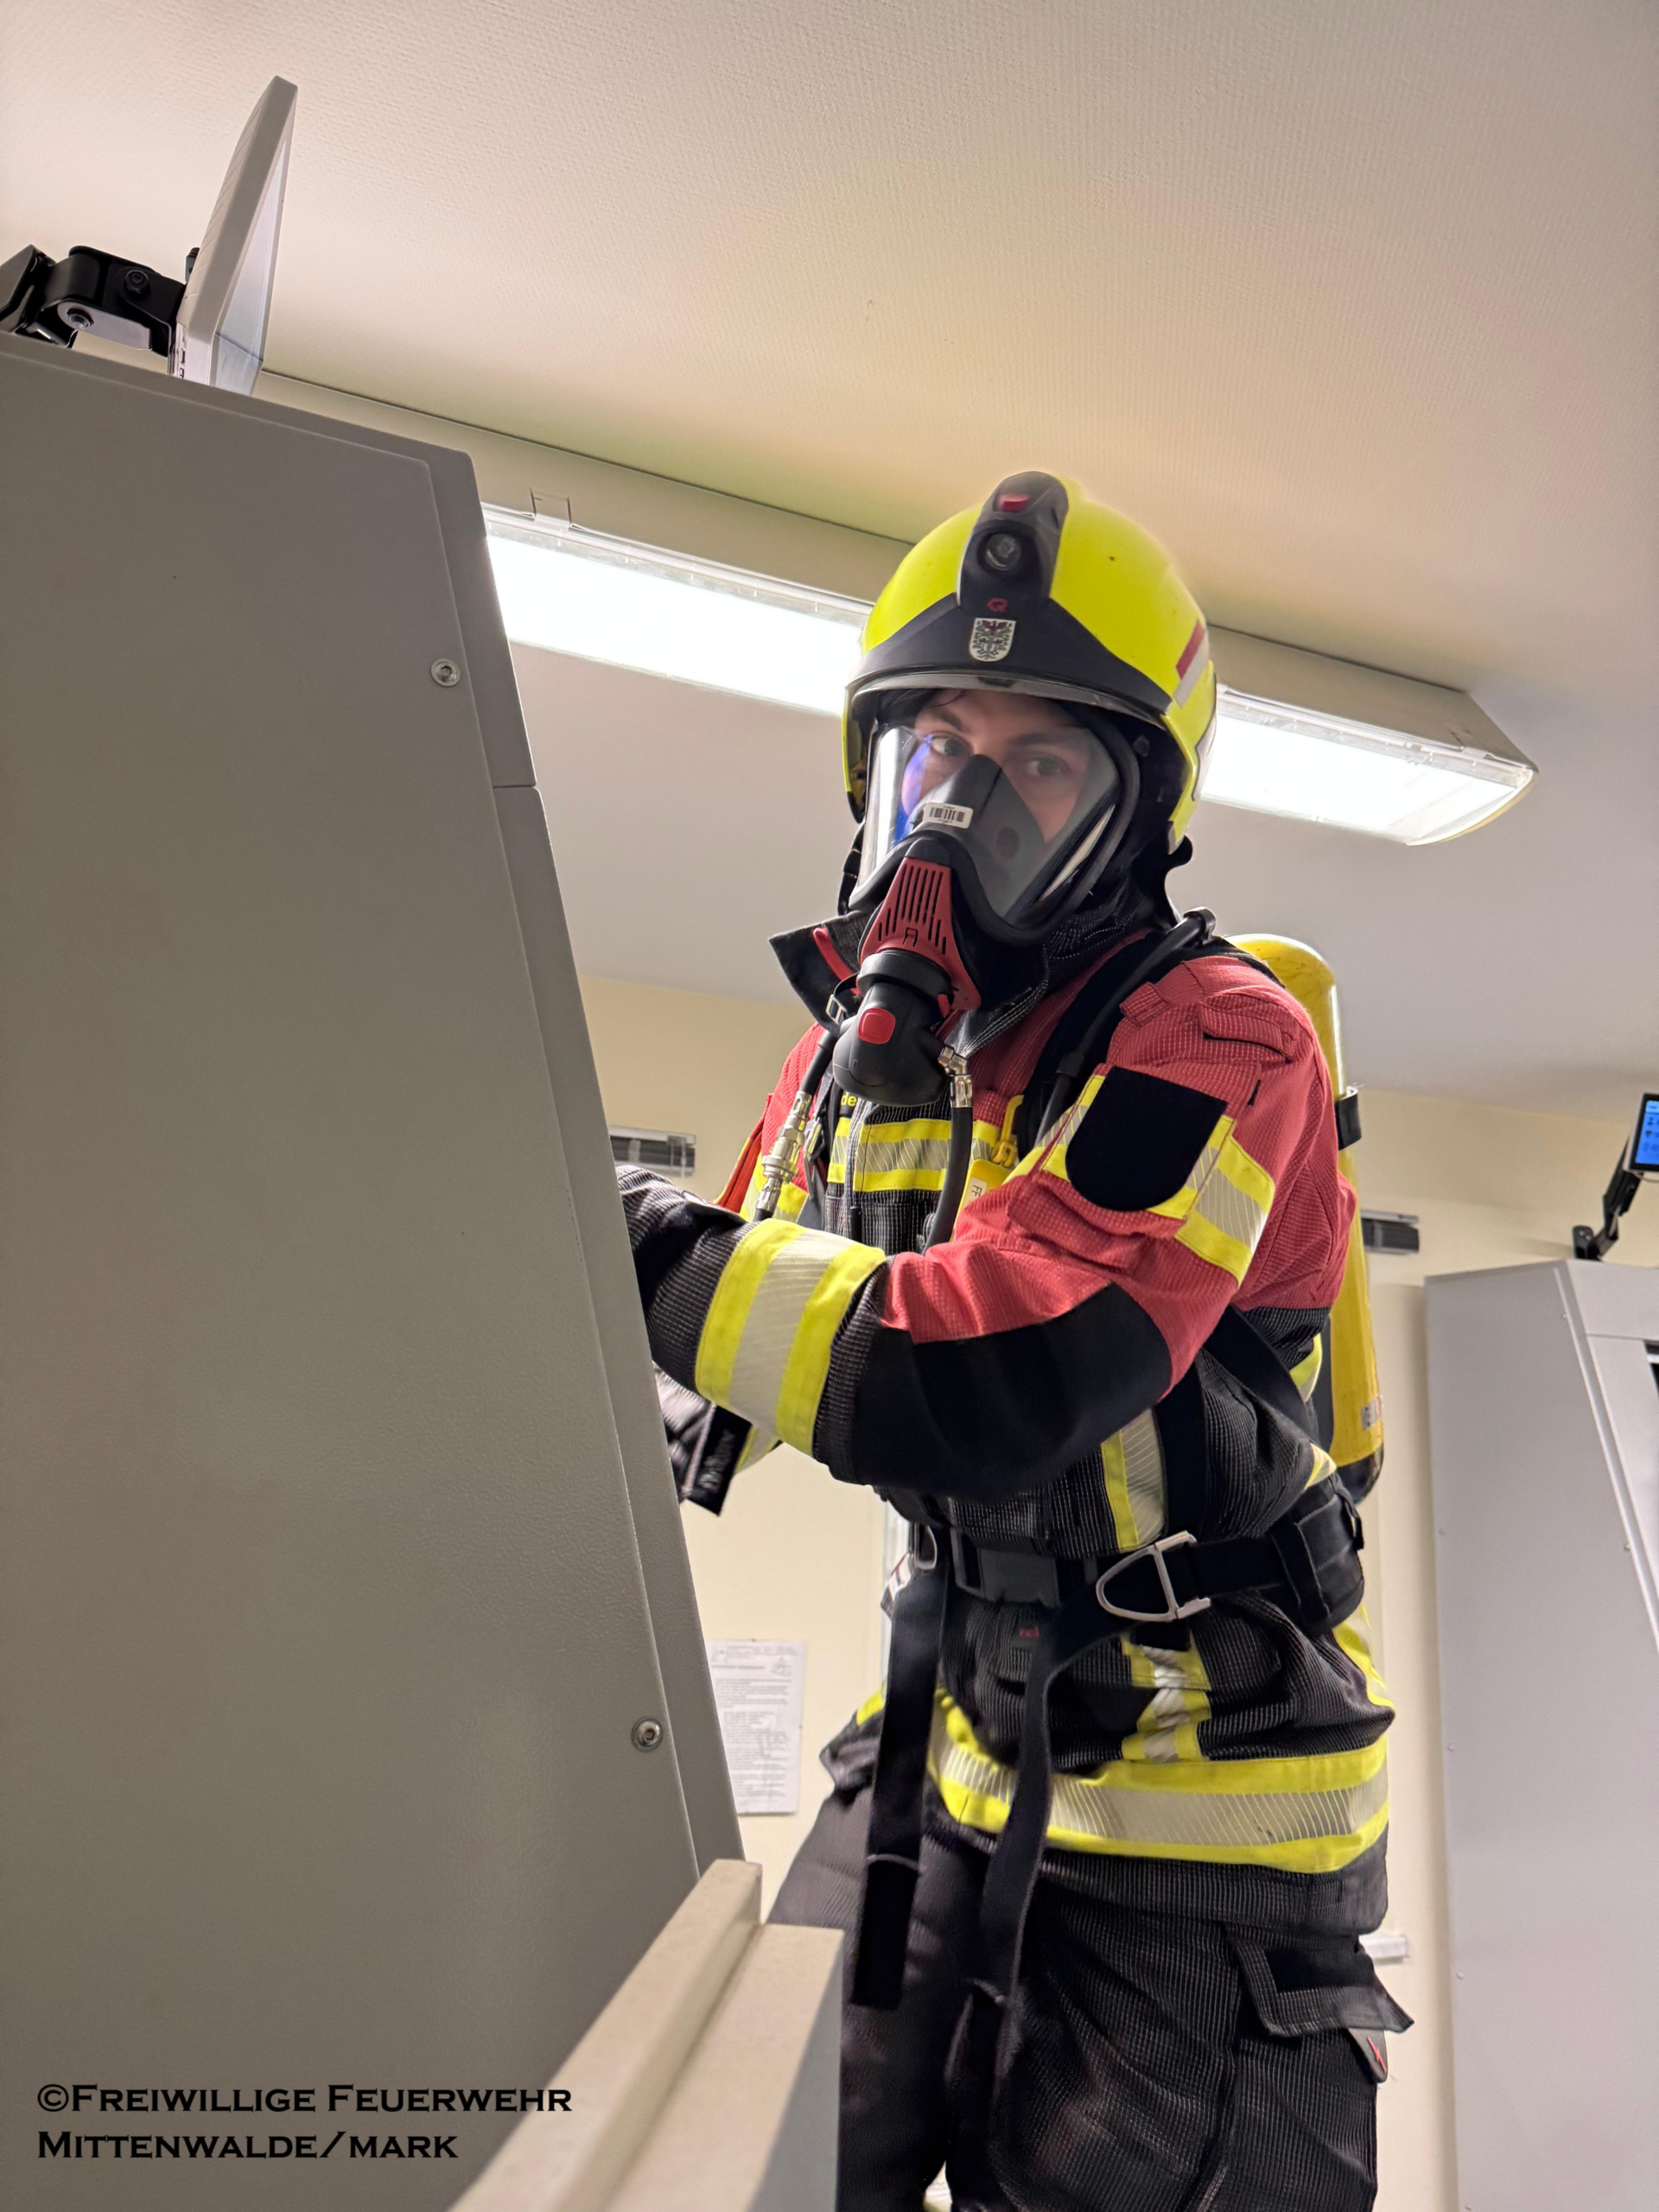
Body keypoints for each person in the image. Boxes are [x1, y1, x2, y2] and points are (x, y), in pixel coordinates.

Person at [619, 471, 1408, 2212]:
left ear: (1134, 813)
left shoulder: (1223, 1039)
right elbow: (698, 1348)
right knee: (746, 2155)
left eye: (1039, 763)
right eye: (936, 748)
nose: (963, 806)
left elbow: (983, 1373)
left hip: (1196, 1817)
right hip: (945, 1736)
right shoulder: (858, 1059)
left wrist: (618, 1229)